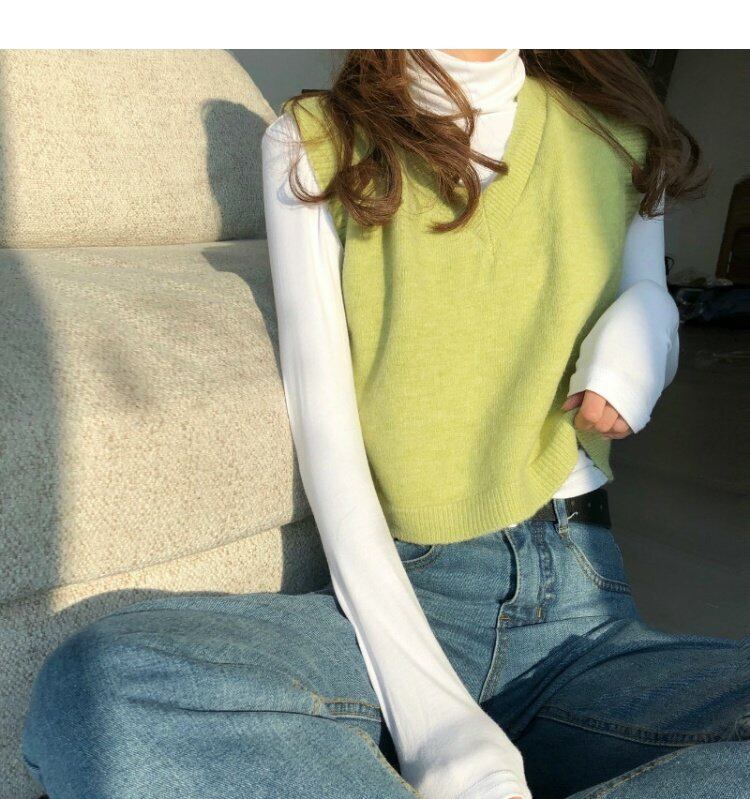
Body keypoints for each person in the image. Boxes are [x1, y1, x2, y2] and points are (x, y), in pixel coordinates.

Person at [22, 49, 749, 799]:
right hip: (401, 593)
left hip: (580, 607)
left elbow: (646, 288)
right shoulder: (318, 141)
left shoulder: (617, 133)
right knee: (104, 687)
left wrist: (649, 322)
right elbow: (325, 429)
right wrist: (433, 720)